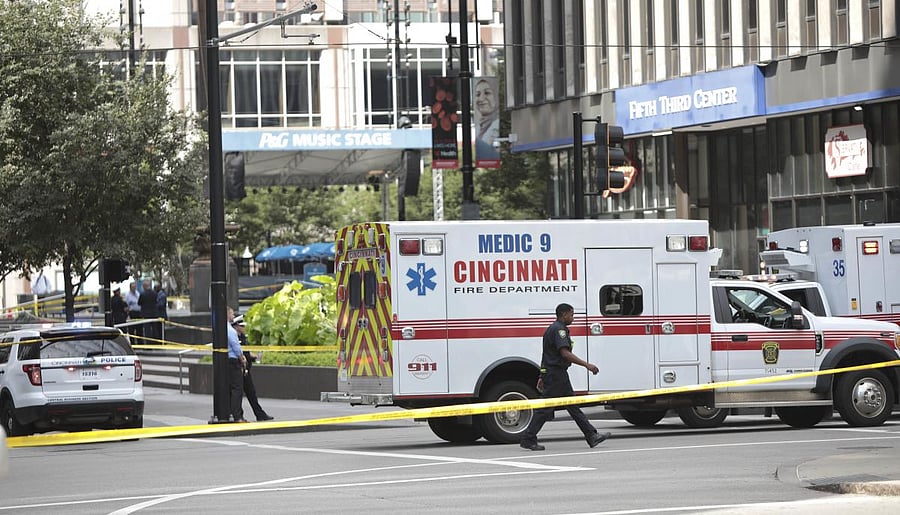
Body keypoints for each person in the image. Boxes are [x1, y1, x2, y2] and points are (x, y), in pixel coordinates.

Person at [519, 303, 612, 451]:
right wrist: (587, 365)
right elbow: (565, 353)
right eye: (571, 315)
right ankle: (528, 438)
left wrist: (542, 375)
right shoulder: (559, 330)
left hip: (555, 373)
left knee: (572, 405)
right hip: (556, 375)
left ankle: (591, 435)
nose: (573, 318)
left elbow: (546, 354)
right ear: (564, 314)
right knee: (546, 408)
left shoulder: (552, 328)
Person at [232, 315, 273, 422]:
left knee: (251, 393)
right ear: (236, 326)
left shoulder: (242, 337)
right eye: (242, 326)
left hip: (245, 368)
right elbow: (242, 353)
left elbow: (246, 352)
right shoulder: (235, 337)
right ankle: (238, 415)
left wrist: (254, 357)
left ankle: (260, 414)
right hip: (239, 367)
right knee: (239, 392)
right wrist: (252, 357)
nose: (244, 328)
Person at [226, 307, 247, 422]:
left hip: (226, 361)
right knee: (237, 389)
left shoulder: (221, 328)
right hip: (233, 361)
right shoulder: (230, 331)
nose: (233, 316)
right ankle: (237, 415)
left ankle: (231, 413)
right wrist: (242, 358)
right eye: (232, 314)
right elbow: (236, 346)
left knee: (230, 389)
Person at [474, 78, 500, 146]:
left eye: (487, 93)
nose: (481, 98)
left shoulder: (500, 125)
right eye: (478, 94)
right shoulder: (477, 128)